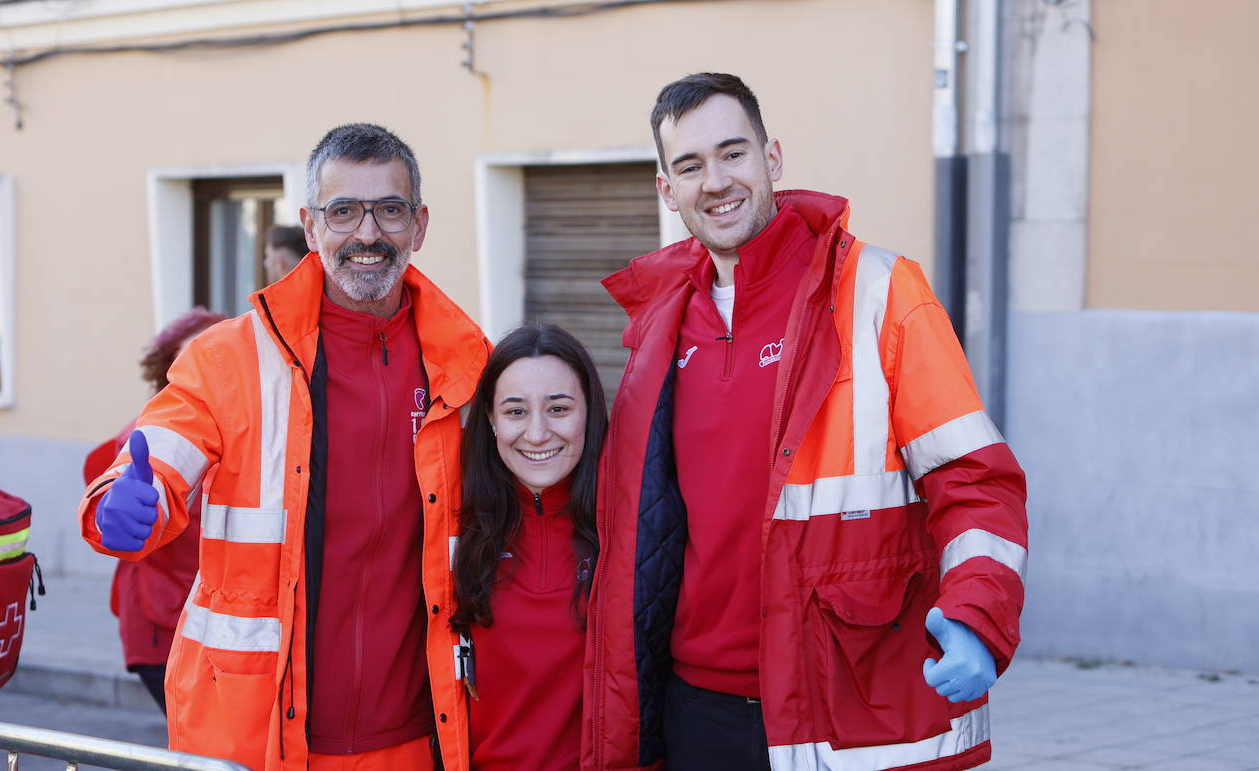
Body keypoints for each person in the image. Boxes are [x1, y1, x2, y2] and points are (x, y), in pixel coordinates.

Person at [583, 73, 1029, 771]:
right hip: (696, 706)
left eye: (733, 153)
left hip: (839, 698)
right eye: (691, 166)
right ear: (668, 190)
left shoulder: (880, 291)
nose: (716, 181)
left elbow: (975, 480)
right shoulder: (659, 325)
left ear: (773, 158)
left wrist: (977, 611)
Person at [78, 123, 490, 771]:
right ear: (310, 225)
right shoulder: (230, 357)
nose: (367, 233)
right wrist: (129, 497)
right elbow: (163, 447)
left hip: (418, 739)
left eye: (389, 209)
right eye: (343, 211)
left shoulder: (466, 366)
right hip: (255, 736)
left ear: (419, 224)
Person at [450, 325, 608, 771]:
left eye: (558, 408)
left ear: (589, 413)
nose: (537, 434)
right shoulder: (453, 530)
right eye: (516, 411)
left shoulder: (630, 528)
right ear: (491, 419)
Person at [81, 306, 227, 713]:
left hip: (206, 618)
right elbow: (122, 483)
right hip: (162, 620)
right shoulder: (151, 435)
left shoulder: (241, 429)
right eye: (194, 358)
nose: (210, 368)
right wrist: (117, 506)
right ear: (169, 371)